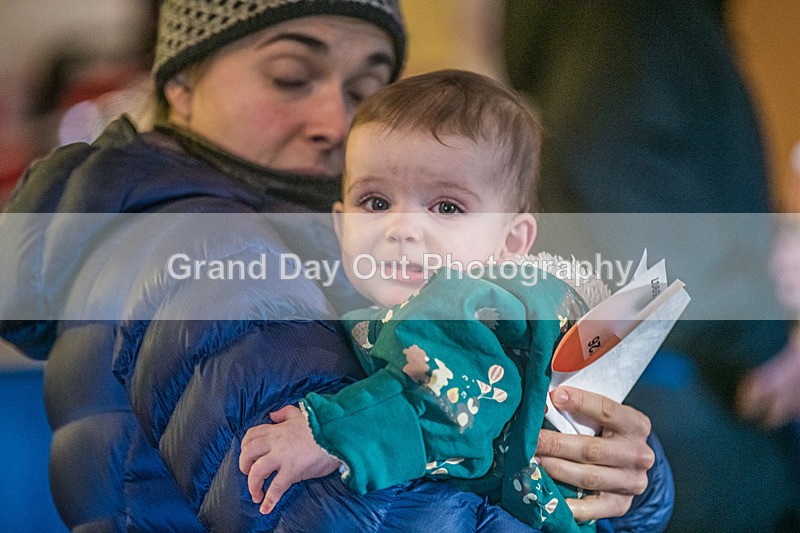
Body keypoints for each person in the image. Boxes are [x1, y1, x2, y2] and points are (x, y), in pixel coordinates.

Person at [0, 2, 670, 531]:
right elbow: (352, 515)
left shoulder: (330, 240)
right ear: (180, 83)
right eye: (291, 76)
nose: (334, 119)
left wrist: (617, 474)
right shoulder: (202, 243)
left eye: (365, 88)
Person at [240, 69, 620, 532]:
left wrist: (328, 435)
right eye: (376, 202)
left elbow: (444, 401)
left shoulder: (468, 307)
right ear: (339, 225)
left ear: (512, 242)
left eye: (446, 207)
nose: (402, 228)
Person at [502, 0, 800, 530]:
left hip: (678, 374)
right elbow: (641, 230)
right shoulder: (631, 22)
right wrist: (765, 341)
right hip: (686, 383)